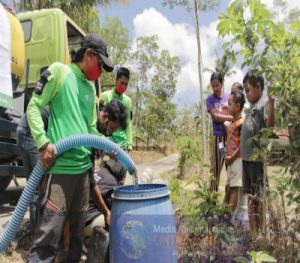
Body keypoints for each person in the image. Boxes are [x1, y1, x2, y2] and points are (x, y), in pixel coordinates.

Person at [26, 33, 115, 262]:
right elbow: (33, 108)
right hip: (61, 171)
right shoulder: (59, 72)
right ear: (89, 55)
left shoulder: (89, 90)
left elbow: (89, 129)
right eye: (101, 65)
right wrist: (43, 142)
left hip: (83, 174)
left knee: (75, 239)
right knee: (49, 236)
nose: (102, 72)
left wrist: (108, 145)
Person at [240, 70, 275, 235]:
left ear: (258, 87)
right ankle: (254, 234)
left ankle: (260, 233)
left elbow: (269, 127)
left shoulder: (264, 104)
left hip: (256, 161)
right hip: (247, 160)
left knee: (258, 199)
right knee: (250, 197)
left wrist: (272, 104)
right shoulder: (252, 106)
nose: (246, 94)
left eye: (248, 90)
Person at [206, 72, 233, 192]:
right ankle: (212, 201)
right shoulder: (210, 99)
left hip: (231, 140)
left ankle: (230, 202)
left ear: (222, 83)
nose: (215, 88)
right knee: (215, 169)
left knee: (231, 171)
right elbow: (215, 117)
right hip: (219, 141)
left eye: (217, 85)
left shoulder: (229, 98)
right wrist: (230, 118)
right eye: (213, 86)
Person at [100, 67, 132, 151]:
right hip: (108, 144)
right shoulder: (105, 96)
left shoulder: (127, 101)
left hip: (122, 145)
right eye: (122, 83)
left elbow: (128, 123)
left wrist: (129, 145)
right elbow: (101, 121)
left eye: (126, 84)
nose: (123, 86)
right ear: (116, 80)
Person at [224, 90, 245, 212]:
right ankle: (223, 215)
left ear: (238, 107)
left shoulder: (242, 123)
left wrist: (231, 158)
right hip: (231, 160)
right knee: (228, 188)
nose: (228, 106)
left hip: (237, 160)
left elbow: (242, 146)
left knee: (234, 189)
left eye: (230, 104)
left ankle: (228, 218)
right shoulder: (232, 123)